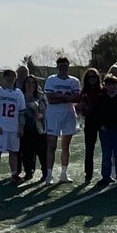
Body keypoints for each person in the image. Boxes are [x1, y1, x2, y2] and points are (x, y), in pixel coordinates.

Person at [43, 56, 81, 184]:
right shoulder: (51, 80)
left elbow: (76, 98)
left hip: (69, 114)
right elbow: (50, 98)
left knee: (66, 146)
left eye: (65, 66)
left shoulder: (74, 81)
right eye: (61, 66)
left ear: (68, 67)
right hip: (53, 115)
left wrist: (59, 96)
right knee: (51, 145)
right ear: (57, 67)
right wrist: (66, 97)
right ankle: (49, 175)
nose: (63, 68)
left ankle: (64, 173)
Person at [0, 69, 25, 184]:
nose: (10, 78)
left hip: (13, 127)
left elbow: (21, 112)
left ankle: (14, 173)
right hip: (0, 127)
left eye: (13, 76)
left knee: (13, 152)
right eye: (8, 76)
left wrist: (21, 127)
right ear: (3, 78)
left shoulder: (18, 93)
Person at [95, 73, 117, 185]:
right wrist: (101, 126)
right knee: (106, 154)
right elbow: (98, 115)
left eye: (114, 84)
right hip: (105, 131)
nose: (112, 87)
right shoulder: (101, 99)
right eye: (109, 85)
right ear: (105, 86)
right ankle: (106, 176)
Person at [78, 68, 104, 183]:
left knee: (106, 149)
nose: (92, 79)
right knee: (89, 149)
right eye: (89, 77)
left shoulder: (103, 91)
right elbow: (82, 108)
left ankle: (107, 173)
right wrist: (83, 107)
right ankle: (88, 175)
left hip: (103, 122)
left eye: (94, 77)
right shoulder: (84, 92)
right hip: (89, 122)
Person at [20, 75, 48, 182]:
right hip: (25, 127)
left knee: (42, 151)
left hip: (39, 128)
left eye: (33, 82)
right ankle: (28, 172)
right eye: (28, 82)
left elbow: (45, 110)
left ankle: (45, 172)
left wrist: (39, 114)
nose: (30, 85)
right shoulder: (20, 96)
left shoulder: (41, 96)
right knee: (26, 151)